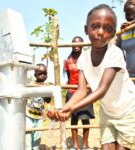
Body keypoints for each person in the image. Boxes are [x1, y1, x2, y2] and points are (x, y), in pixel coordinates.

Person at [47, 4, 135, 150]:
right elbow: (81, 91)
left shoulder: (114, 53)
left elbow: (101, 90)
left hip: (128, 111)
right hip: (108, 112)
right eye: (95, 26)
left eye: (107, 29)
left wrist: (71, 109)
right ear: (86, 29)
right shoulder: (83, 58)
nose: (101, 32)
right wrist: (64, 109)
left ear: (113, 33)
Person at [64, 36, 94, 149]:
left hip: (85, 92)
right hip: (72, 92)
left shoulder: (88, 59)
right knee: (74, 119)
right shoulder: (68, 61)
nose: (76, 45)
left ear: (83, 45)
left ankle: (85, 144)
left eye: (79, 43)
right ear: (71, 45)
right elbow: (69, 77)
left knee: (85, 119)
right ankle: (75, 145)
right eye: (74, 43)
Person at [26, 63, 51, 150]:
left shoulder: (47, 86)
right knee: (27, 136)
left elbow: (48, 100)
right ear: (35, 74)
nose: (43, 76)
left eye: (45, 73)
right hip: (28, 116)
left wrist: (47, 90)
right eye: (40, 74)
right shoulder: (30, 85)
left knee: (37, 138)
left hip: (39, 117)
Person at [116, 0, 135, 77]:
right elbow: (116, 49)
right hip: (130, 76)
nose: (130, 19)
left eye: (133, 16)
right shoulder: (124, 31)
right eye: (128, 17)